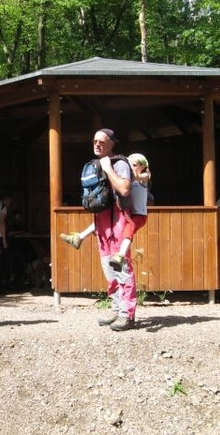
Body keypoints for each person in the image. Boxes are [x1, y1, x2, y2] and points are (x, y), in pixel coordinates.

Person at [63, 129, 137, 331]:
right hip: (102, 222)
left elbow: (123, 189)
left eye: (101, 142)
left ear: (112, 144)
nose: (96, 144)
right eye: (94, 141)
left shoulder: (119, 163)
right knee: (109, 269)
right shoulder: (95, 165)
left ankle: (127, 314)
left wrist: (108, 168)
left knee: (122, 268)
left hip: (118, 219)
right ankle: (116, 309)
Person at [60, 152, 151, 274]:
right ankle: (79, 237)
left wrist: (114, 171)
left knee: (128, 230)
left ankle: (120, 255)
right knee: (104, 222)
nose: (130, 168)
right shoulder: (127, 177)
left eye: (134, 165)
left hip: (139, 214)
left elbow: (138, 177)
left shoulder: (145, 176)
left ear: (142, 166)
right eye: (129, 165)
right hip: (127, 212)